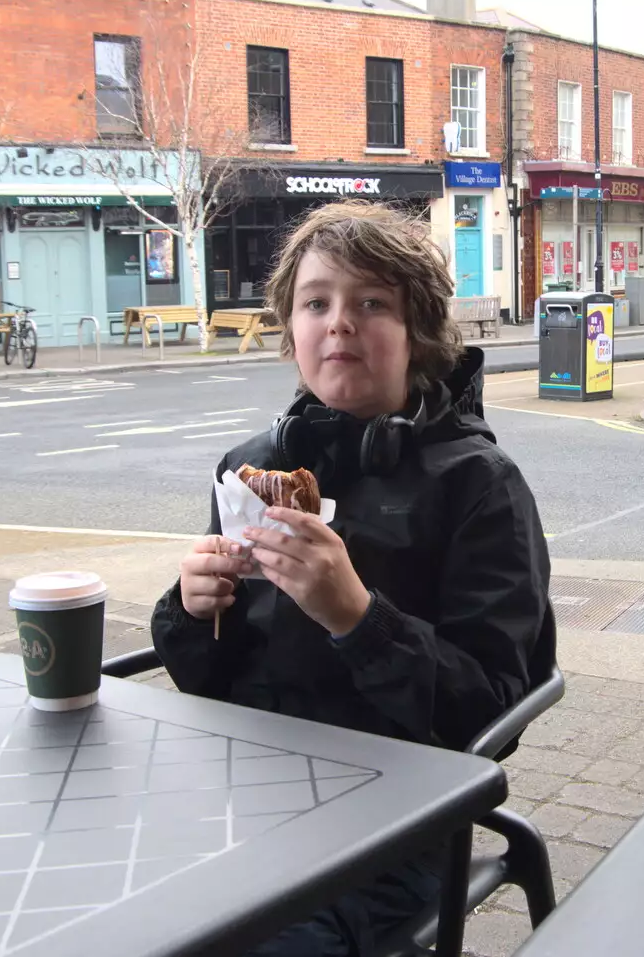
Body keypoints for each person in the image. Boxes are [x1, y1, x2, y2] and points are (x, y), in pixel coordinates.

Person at [152, 200, 556, 954]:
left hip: (392, 820)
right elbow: (205, 678)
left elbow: (488, 714)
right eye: (316, 302)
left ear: (418, 335)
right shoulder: (251, 466)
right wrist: (192, 605)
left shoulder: (481, 487)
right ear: (291, 329)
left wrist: (358, 618)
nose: (338, 321)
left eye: (371, 302)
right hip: (240, 786)